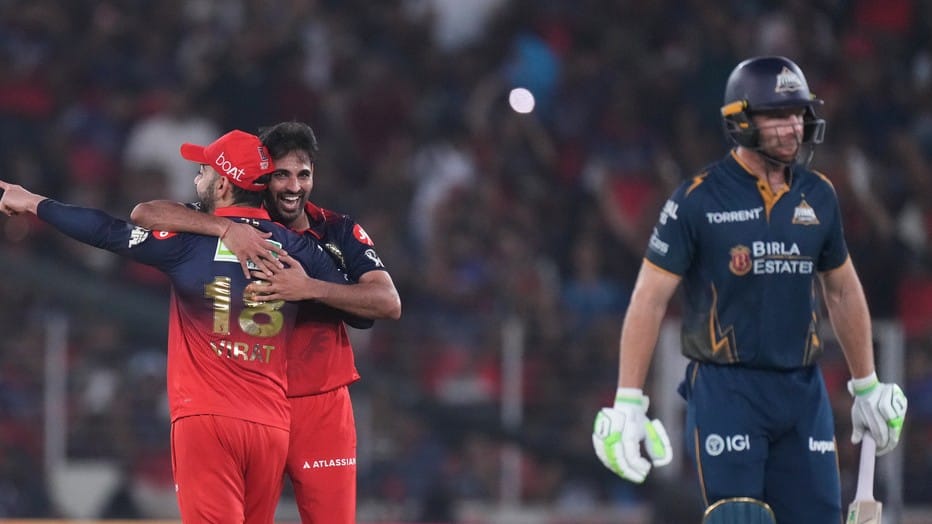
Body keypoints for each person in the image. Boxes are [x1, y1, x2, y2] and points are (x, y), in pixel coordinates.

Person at [591, 56, 908, 523]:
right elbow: (649, 298)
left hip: (802, 390)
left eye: (798, 114)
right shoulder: (696, 199)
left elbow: (841, 290)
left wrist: (866, 385)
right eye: (777, 115)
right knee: (739, 517)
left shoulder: (819, 195)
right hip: (727, 390)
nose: (792, 127)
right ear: (740, 121)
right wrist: (628, 401)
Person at [0, 129, 355, 523]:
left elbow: (106, 230)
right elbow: (356, 304)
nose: (195, 179)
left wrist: (33, 202)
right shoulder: (299, 248)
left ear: (222, 183)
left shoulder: (186, 244)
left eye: (201, 171)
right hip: (271, 426)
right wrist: (309, 287)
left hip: (206, 423)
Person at [130, 120, 401, 523]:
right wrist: (224, 227)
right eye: (281, 175)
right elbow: (148, 214)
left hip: (319, 404)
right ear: (258, 176)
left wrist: (308, 288)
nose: (293, 187)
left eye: (303, 175)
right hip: (249, 402)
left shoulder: (338, 231)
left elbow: (387, 302)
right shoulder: (221, 220)